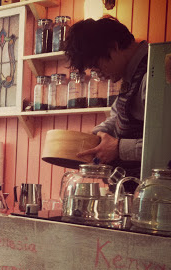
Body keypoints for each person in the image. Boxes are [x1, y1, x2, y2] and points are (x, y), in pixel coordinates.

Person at [64, 16, 148, 179]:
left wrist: (119, 148)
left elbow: (165, 145)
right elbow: (117, 116)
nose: (96, 72)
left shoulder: (155, 73)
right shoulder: (130, 74)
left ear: (114, 47)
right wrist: (98, 135)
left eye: (96, 64)